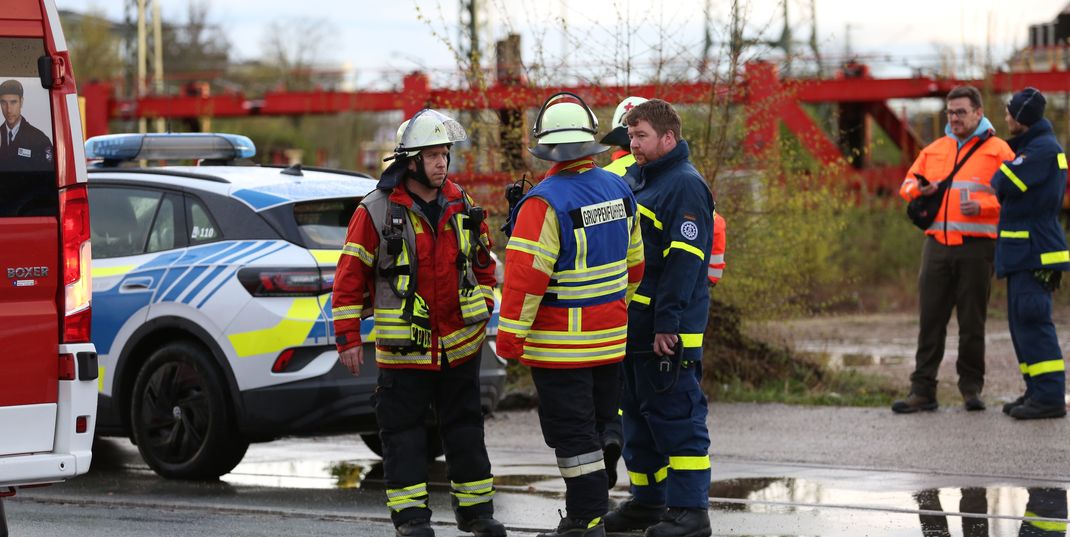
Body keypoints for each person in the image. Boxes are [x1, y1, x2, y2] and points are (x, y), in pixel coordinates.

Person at [331, 109, 505, 537]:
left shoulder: (462, 202)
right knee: (403, 436)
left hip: (460, 345)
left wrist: (481, 308)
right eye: (433, 155)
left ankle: (478, 514)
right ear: (410, 161)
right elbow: (348, 279)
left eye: (445, 154)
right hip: (404, 352)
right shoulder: (373, 211)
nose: (442, 163)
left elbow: (484, 264)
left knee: (466, 430)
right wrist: (348, 338)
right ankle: (411, 522)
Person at [496, 92, 644, 537]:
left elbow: (524, 282)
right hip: (610, 340)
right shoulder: (619, 188)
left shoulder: (543, 203)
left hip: (561, 350)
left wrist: (509, 341)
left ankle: (585, 521)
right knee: (597, 425)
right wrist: (615, 311)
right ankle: (610, 440)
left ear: (547, 147)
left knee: (572, 437)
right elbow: (635, 266)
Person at [599, 96, 727, 491]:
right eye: (631, 136)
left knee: (677, 421)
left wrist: (666, 324)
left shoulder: (684, 185)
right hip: (640, 328)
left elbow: (683, 266)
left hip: (668, 334)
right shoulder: (644, 178)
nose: (632, 143)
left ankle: (689, 511)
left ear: (668, 138)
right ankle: (646, 500)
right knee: (638, 419)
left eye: (641, 136)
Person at [892, 85, 1014, 414]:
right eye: (950, 113)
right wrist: (918, 188)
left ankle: (971, 389)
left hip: (977, 248)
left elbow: (1017, 200)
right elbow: (905, 186)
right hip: (936, 248)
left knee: (972, 323)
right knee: (930, 321)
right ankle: (922, 391)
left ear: (978, 112)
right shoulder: (934, 150)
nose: (955, 118)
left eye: (961, 112)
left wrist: (985, 207)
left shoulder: (999, 151)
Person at [990, 87, 1069, 420]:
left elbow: (1003, 181)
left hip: (1034, 251)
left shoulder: (1042, 150)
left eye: (1010, 112)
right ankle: (1036, 389)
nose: (1006, 117)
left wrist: (1006, 165)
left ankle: (1050, 396)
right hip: (1023, 251)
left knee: (1033, 321)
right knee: (1020, 323)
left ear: (1021, 117)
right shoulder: (1033, 146)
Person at [0, 79, 52, 172]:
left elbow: (47, 179)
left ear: (21, 102)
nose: (8, 109)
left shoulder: (39, 140)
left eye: (13, 102)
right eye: (4, 102)